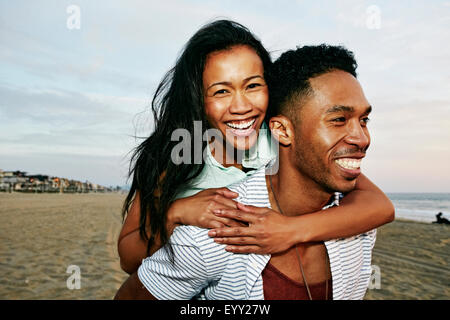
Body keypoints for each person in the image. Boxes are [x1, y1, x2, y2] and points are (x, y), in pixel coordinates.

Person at [117, 19, 394, 276]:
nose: (241, 107)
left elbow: (378, 206)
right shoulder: (174, 156)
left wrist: (290, 230)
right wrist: (176, 213)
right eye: (221, 91)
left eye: (252, 86)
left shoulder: (281, 140)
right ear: (198, 99)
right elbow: (128, 259)